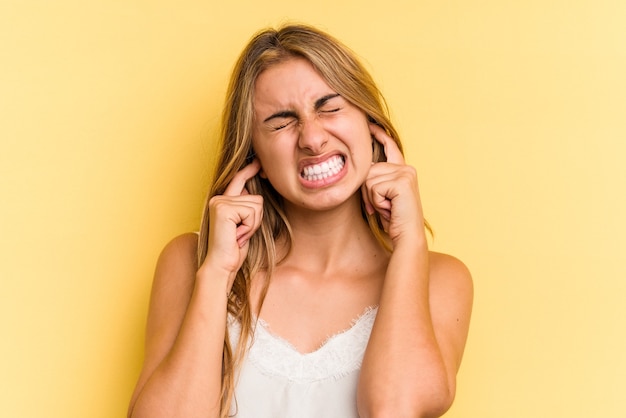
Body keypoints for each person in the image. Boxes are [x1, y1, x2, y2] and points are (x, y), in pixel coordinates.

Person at [128, 24, 473, 418]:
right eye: (280, 122)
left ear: (370, 124)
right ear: (252, 152)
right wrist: (218, 273)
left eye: (330, 107)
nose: (312, 138)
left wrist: (409, 241)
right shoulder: (191, 262)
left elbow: (393, 409)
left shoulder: (442, 279)